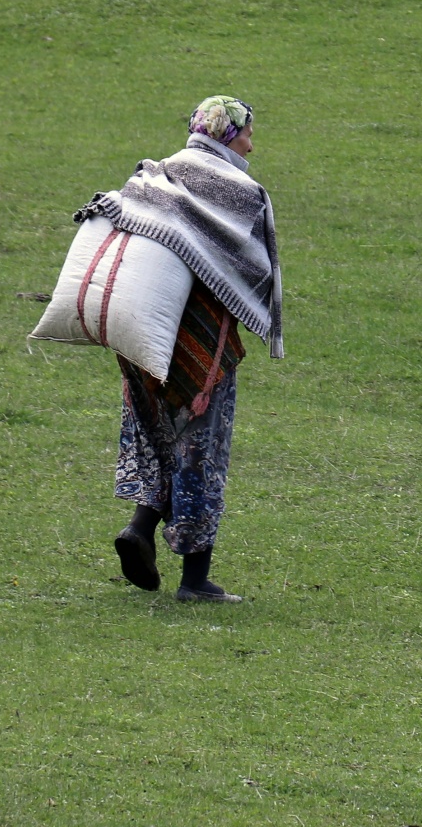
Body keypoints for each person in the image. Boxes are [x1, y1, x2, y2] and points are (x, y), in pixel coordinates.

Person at [92, 95, 283, 603]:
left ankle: (138, 529)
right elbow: (252, 266)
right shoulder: (239, 191)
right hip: (201, 342)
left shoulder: (159, 175)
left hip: (141, 333)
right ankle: (196, 581)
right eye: (245, 133)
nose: (251, 143)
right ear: (226, 134)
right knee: (202, 449)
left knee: (155, 435)